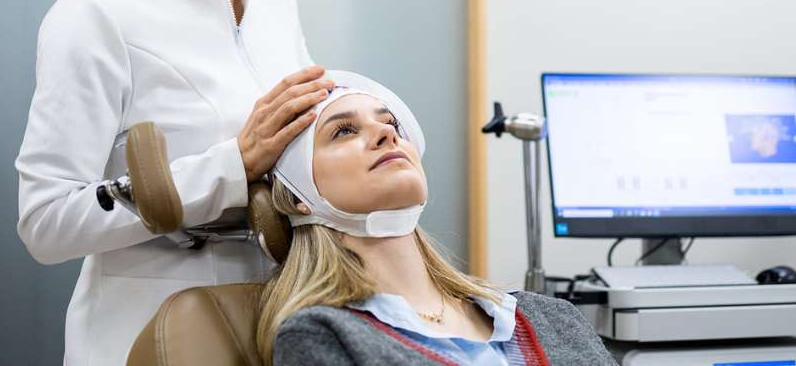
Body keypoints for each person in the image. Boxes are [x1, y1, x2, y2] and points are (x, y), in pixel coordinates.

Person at [14, 0, 332, 364]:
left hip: (270, 328)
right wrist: (229, 167)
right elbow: (45, 222)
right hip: (145, 338)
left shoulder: (277, 5)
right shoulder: (97, 15)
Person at [257, 71, 618, 365]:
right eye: (344, 131)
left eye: (391, 124)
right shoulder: (323, 335)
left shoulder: (552, 316)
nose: (387, 133)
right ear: (298, 196)